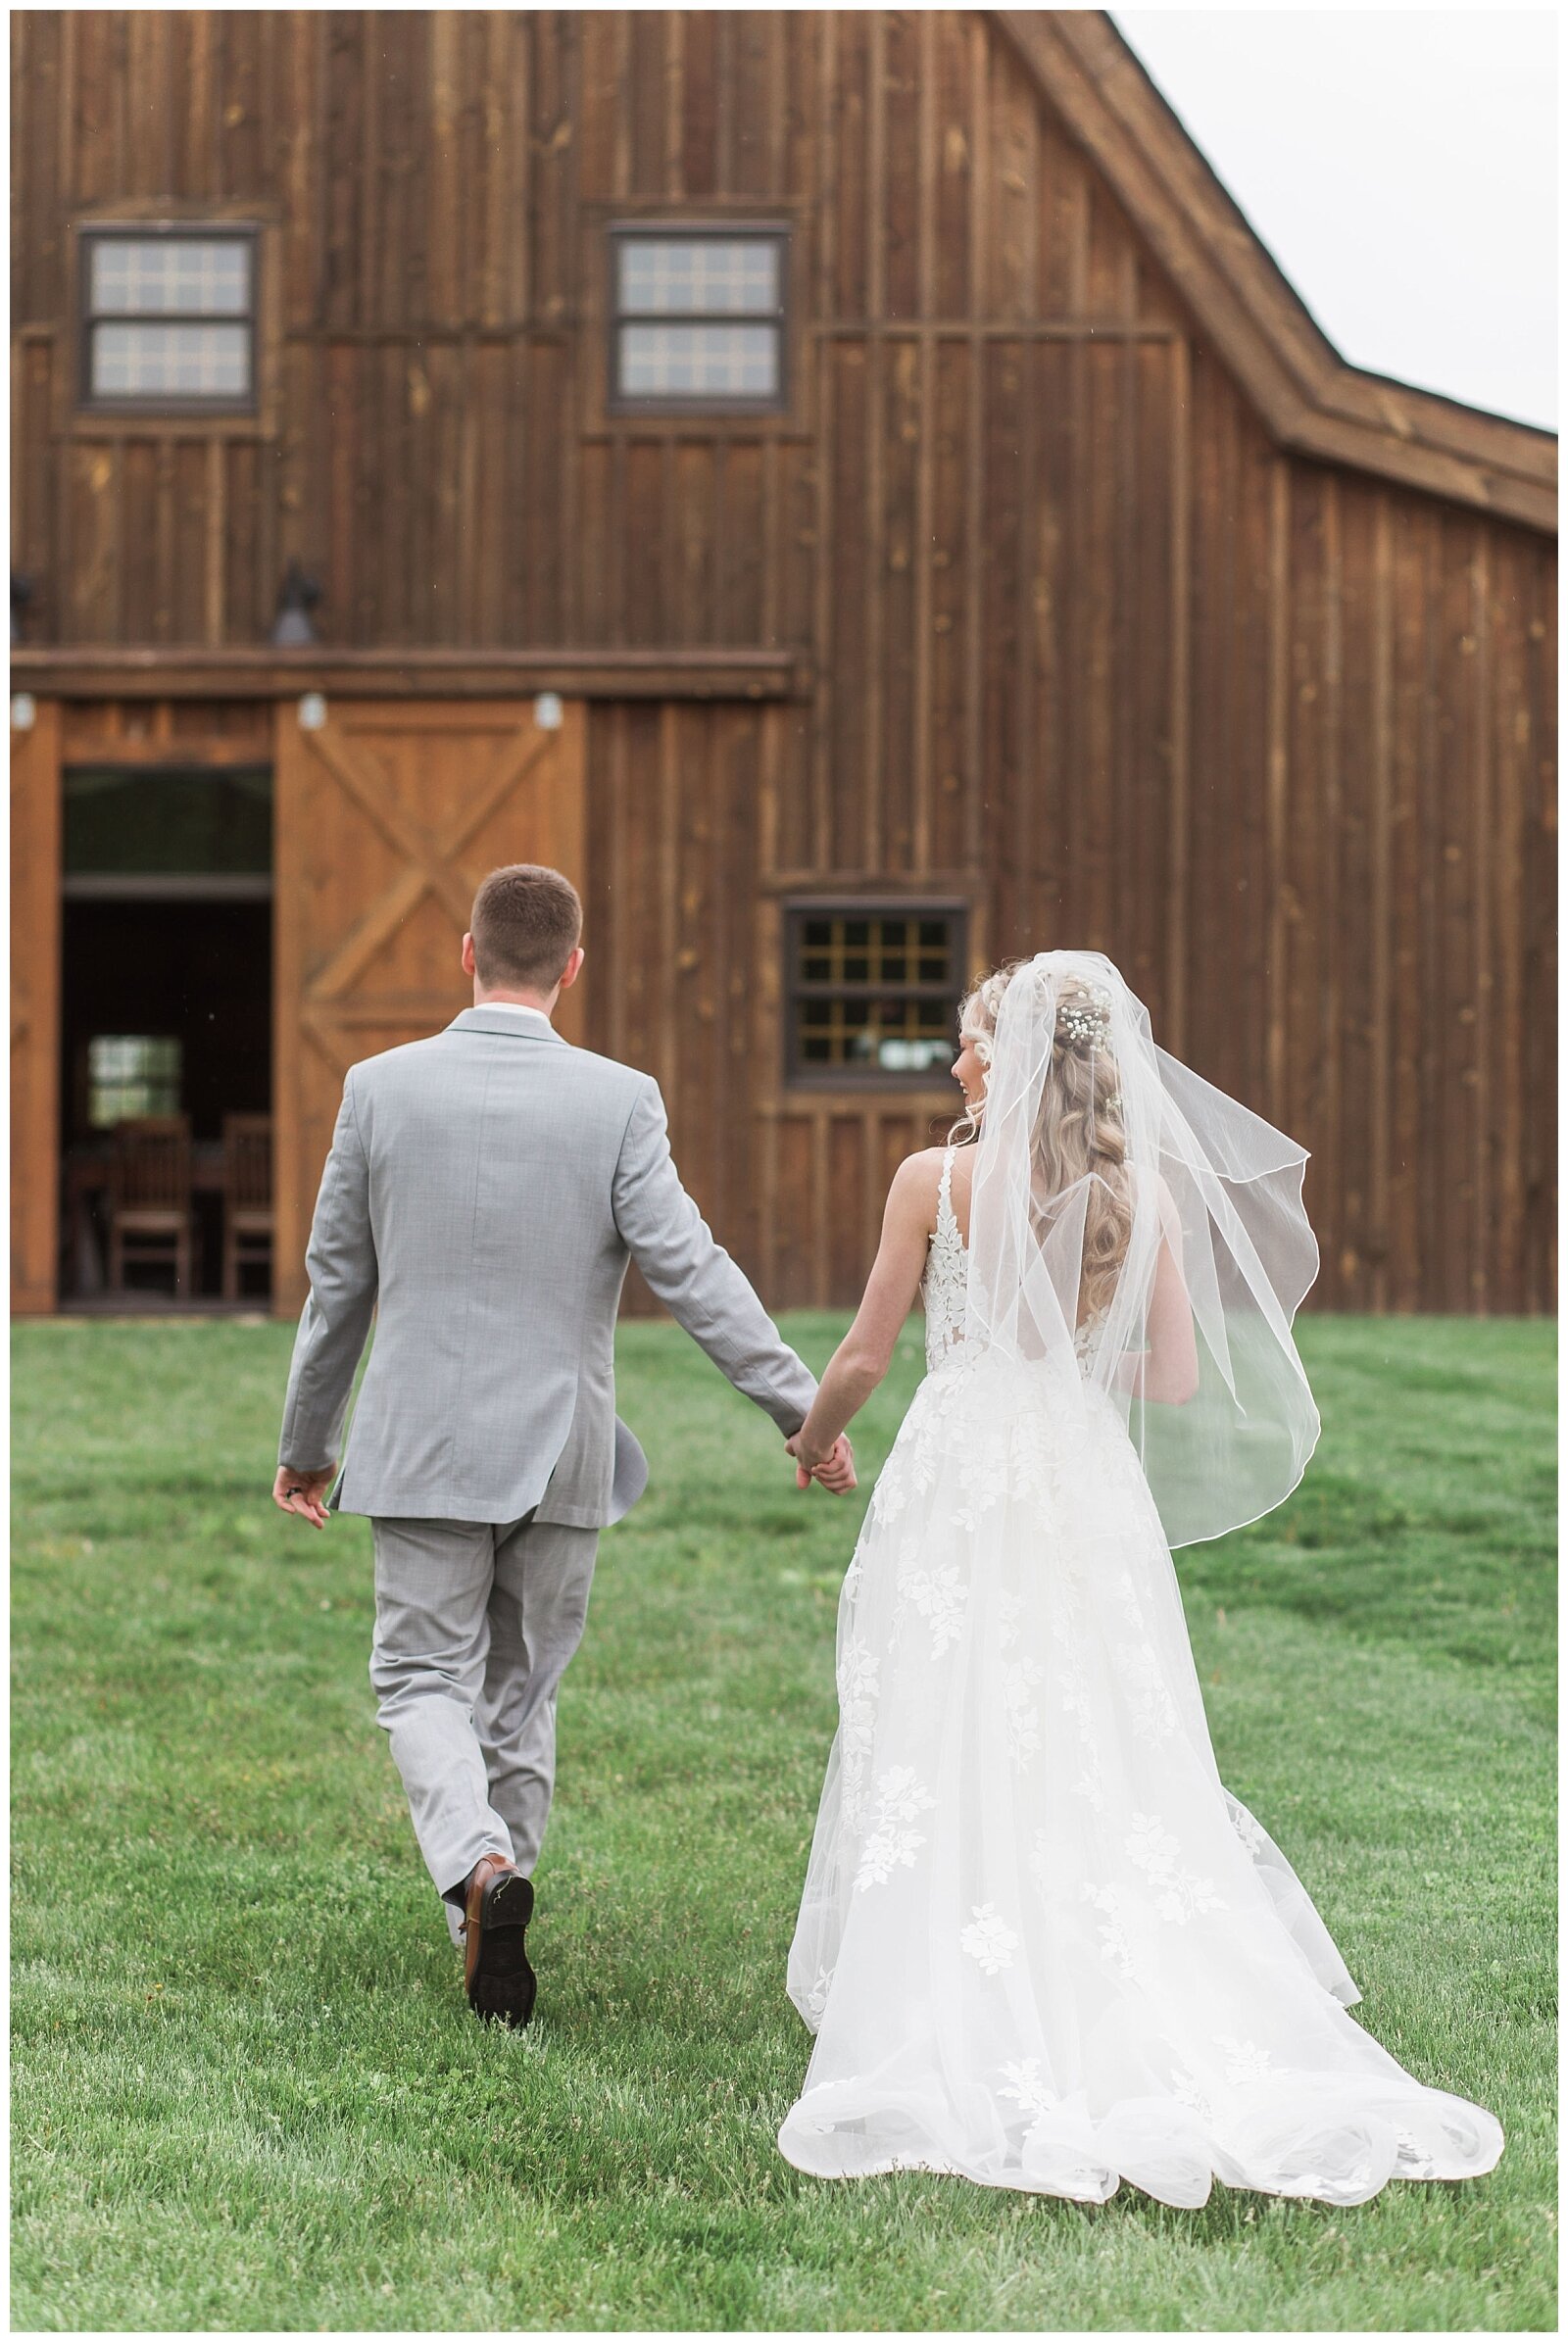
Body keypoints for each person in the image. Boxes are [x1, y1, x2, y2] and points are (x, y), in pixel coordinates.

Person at [778, 950, 1503, 2208]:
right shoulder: (1140, 1192)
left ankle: (954, 1969)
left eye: (968, 1043)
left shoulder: (933, 1179)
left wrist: (813, 1432)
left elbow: (860, 1349)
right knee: (1090, 1717)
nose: (956, 1061)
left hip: (962, 1469)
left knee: (946, 1707)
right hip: (1078, 1472)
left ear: (1006, 1064)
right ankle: (1104, 1961)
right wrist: (1064, 1357)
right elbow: (1168, 1380)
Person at [272, 863, 854, 2028]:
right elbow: (693, 1272)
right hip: (564, 1451)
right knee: (522, 1692)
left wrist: (307, 1441)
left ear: (465, 952)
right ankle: (486, 1915)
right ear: (571, 966)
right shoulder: (619, 1098)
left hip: (423, 1442)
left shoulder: (379, 1088)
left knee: (419, 1677)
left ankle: (479, 1878)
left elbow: (340, 1284)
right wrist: (801, 1408)